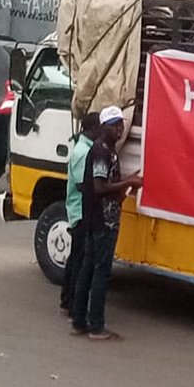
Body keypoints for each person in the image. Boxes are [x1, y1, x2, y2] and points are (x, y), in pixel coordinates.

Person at [71, 106, 142, 341]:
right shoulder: (101, 152)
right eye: (114, 126)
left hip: (99, 217)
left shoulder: (107, 150)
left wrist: (125, 186)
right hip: (102, 221)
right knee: (99, 271)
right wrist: (127, 182)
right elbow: (99, 186)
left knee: (88, 268)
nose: (120, 130)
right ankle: (96, 326)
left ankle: (79, 321)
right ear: (103, 128)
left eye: (121, 124)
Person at [60, 112, 101, 317]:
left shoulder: (86, 148)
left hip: (80, 210)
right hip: (81, 211)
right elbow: (82, 184)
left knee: (76, 257)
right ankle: (72, 302)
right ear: (93, 129)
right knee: (80, 259)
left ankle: (67, 300)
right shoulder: (83, 152)